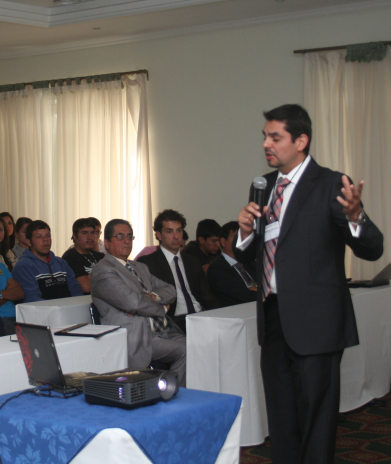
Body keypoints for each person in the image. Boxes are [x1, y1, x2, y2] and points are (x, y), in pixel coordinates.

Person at [235, 104, 383, 464]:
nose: (266, 144)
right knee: (281, 416)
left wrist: (355, 216)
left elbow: (373, 248)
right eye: (265, 137)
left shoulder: (331, 184)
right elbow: (253, 254)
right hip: (273, 319)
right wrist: (245, 233)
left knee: (317, 418)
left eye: (276, 137)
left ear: (301, 141)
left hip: (317, 323)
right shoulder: (263, 186)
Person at [90, 219, 186, 384]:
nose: (126, 241)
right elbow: (134, 303)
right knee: (186, 350)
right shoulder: (103, 270)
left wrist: (152, 296)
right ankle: (172, 393)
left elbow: (170, 289)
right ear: (106, 243)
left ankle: (184, 392)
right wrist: (162, 308)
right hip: (138, 337)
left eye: (130, 236)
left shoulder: (140, 267)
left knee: (202, 346)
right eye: (120, 236)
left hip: (164, 330)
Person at [137, 209, 218, 333]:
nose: (176, 236)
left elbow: (207, 297)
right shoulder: (147, 263)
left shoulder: (192, 261)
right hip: (173, 322)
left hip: (200, 317)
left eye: (179, 230)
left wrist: (222, 316)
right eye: (169, 231)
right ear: (159, 235)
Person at [12, 220, 83, 302]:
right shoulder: (23, 266)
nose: (45, 239)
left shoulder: (61, 263)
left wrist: (75, 304)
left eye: (48, 236)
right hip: (43, 309)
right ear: (29, 242)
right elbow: (31, 297)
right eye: (39, 237)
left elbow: (75, 289)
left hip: (69, 307)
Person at [207, 221, 256, 308]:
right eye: (237, 237)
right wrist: (259, 291)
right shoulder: (217, 268)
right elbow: (243, 296)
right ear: (223, 242)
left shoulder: (250, 262)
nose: (242, 242)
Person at [62, 218, 105, 294]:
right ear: (74, 236)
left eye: (92, 233)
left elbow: (117, 280)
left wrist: (91, 277)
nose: (90, 237)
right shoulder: (70, 258)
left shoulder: (101, 256)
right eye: (84, 233)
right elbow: (86, 287)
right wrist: (104, 276)